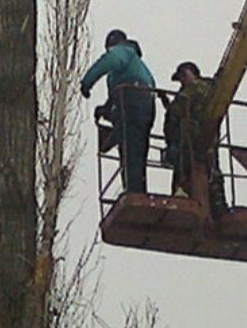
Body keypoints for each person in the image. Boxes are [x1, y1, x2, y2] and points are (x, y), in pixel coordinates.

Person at [80, 29, 156, 193]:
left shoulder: (123, 52)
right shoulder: (137, 66)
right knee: (137, 148)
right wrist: (106, 110)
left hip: (132, 100)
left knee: (129, 148)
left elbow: (109, 61)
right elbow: (116, 98)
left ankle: (133, 190)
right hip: (144, 105)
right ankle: (137, 188)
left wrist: (87, 82)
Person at [163, 61, 227, 215]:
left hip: (191, 140)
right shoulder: (210, 89)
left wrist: (170, 108)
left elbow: (177, 110)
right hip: (204, 140)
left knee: (184, 171)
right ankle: (218, 206)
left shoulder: (195, 88)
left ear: (191, 73)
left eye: (183, 76)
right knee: (211, 172)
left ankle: (184, 197)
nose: (182, 81)